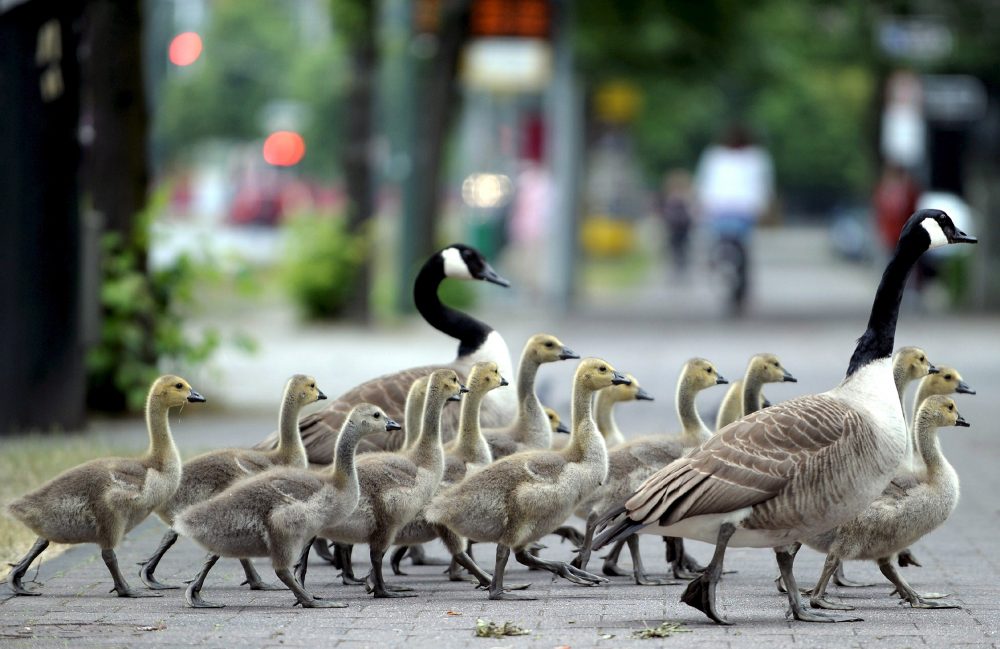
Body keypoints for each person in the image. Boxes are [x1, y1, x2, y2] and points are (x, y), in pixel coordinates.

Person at [694, 123, 774, 316]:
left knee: (726, 246)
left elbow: (705, 184)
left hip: (725, 210)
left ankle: (722, 271)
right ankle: (736, 285)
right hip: (737, 210)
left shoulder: (716, 156)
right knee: (740, 249)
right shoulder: (755, 157)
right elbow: (762, 186)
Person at [658, 169, 695, 276]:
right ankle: (678, 264)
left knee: (680, 245)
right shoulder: (673, 197)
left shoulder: (681, 196)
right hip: (676, 225)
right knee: (676, 246)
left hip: (681, 225)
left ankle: (680, 264)